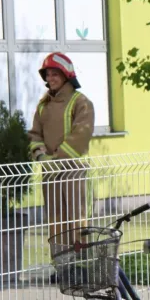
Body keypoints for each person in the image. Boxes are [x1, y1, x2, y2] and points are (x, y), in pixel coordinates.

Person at [28, 52, 95, 253]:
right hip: (50, 171)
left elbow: (80, 135)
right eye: (47, 75)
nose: (50, 79)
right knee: (55, 219)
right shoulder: (43, 105)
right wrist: (40, 155)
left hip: (74, 170)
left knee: (77, 218)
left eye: (54, 74)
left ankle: (81, 263)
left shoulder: (81, 102)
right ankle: (61, 264)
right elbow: (34, 134)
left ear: (66, 75)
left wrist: (56, 158)